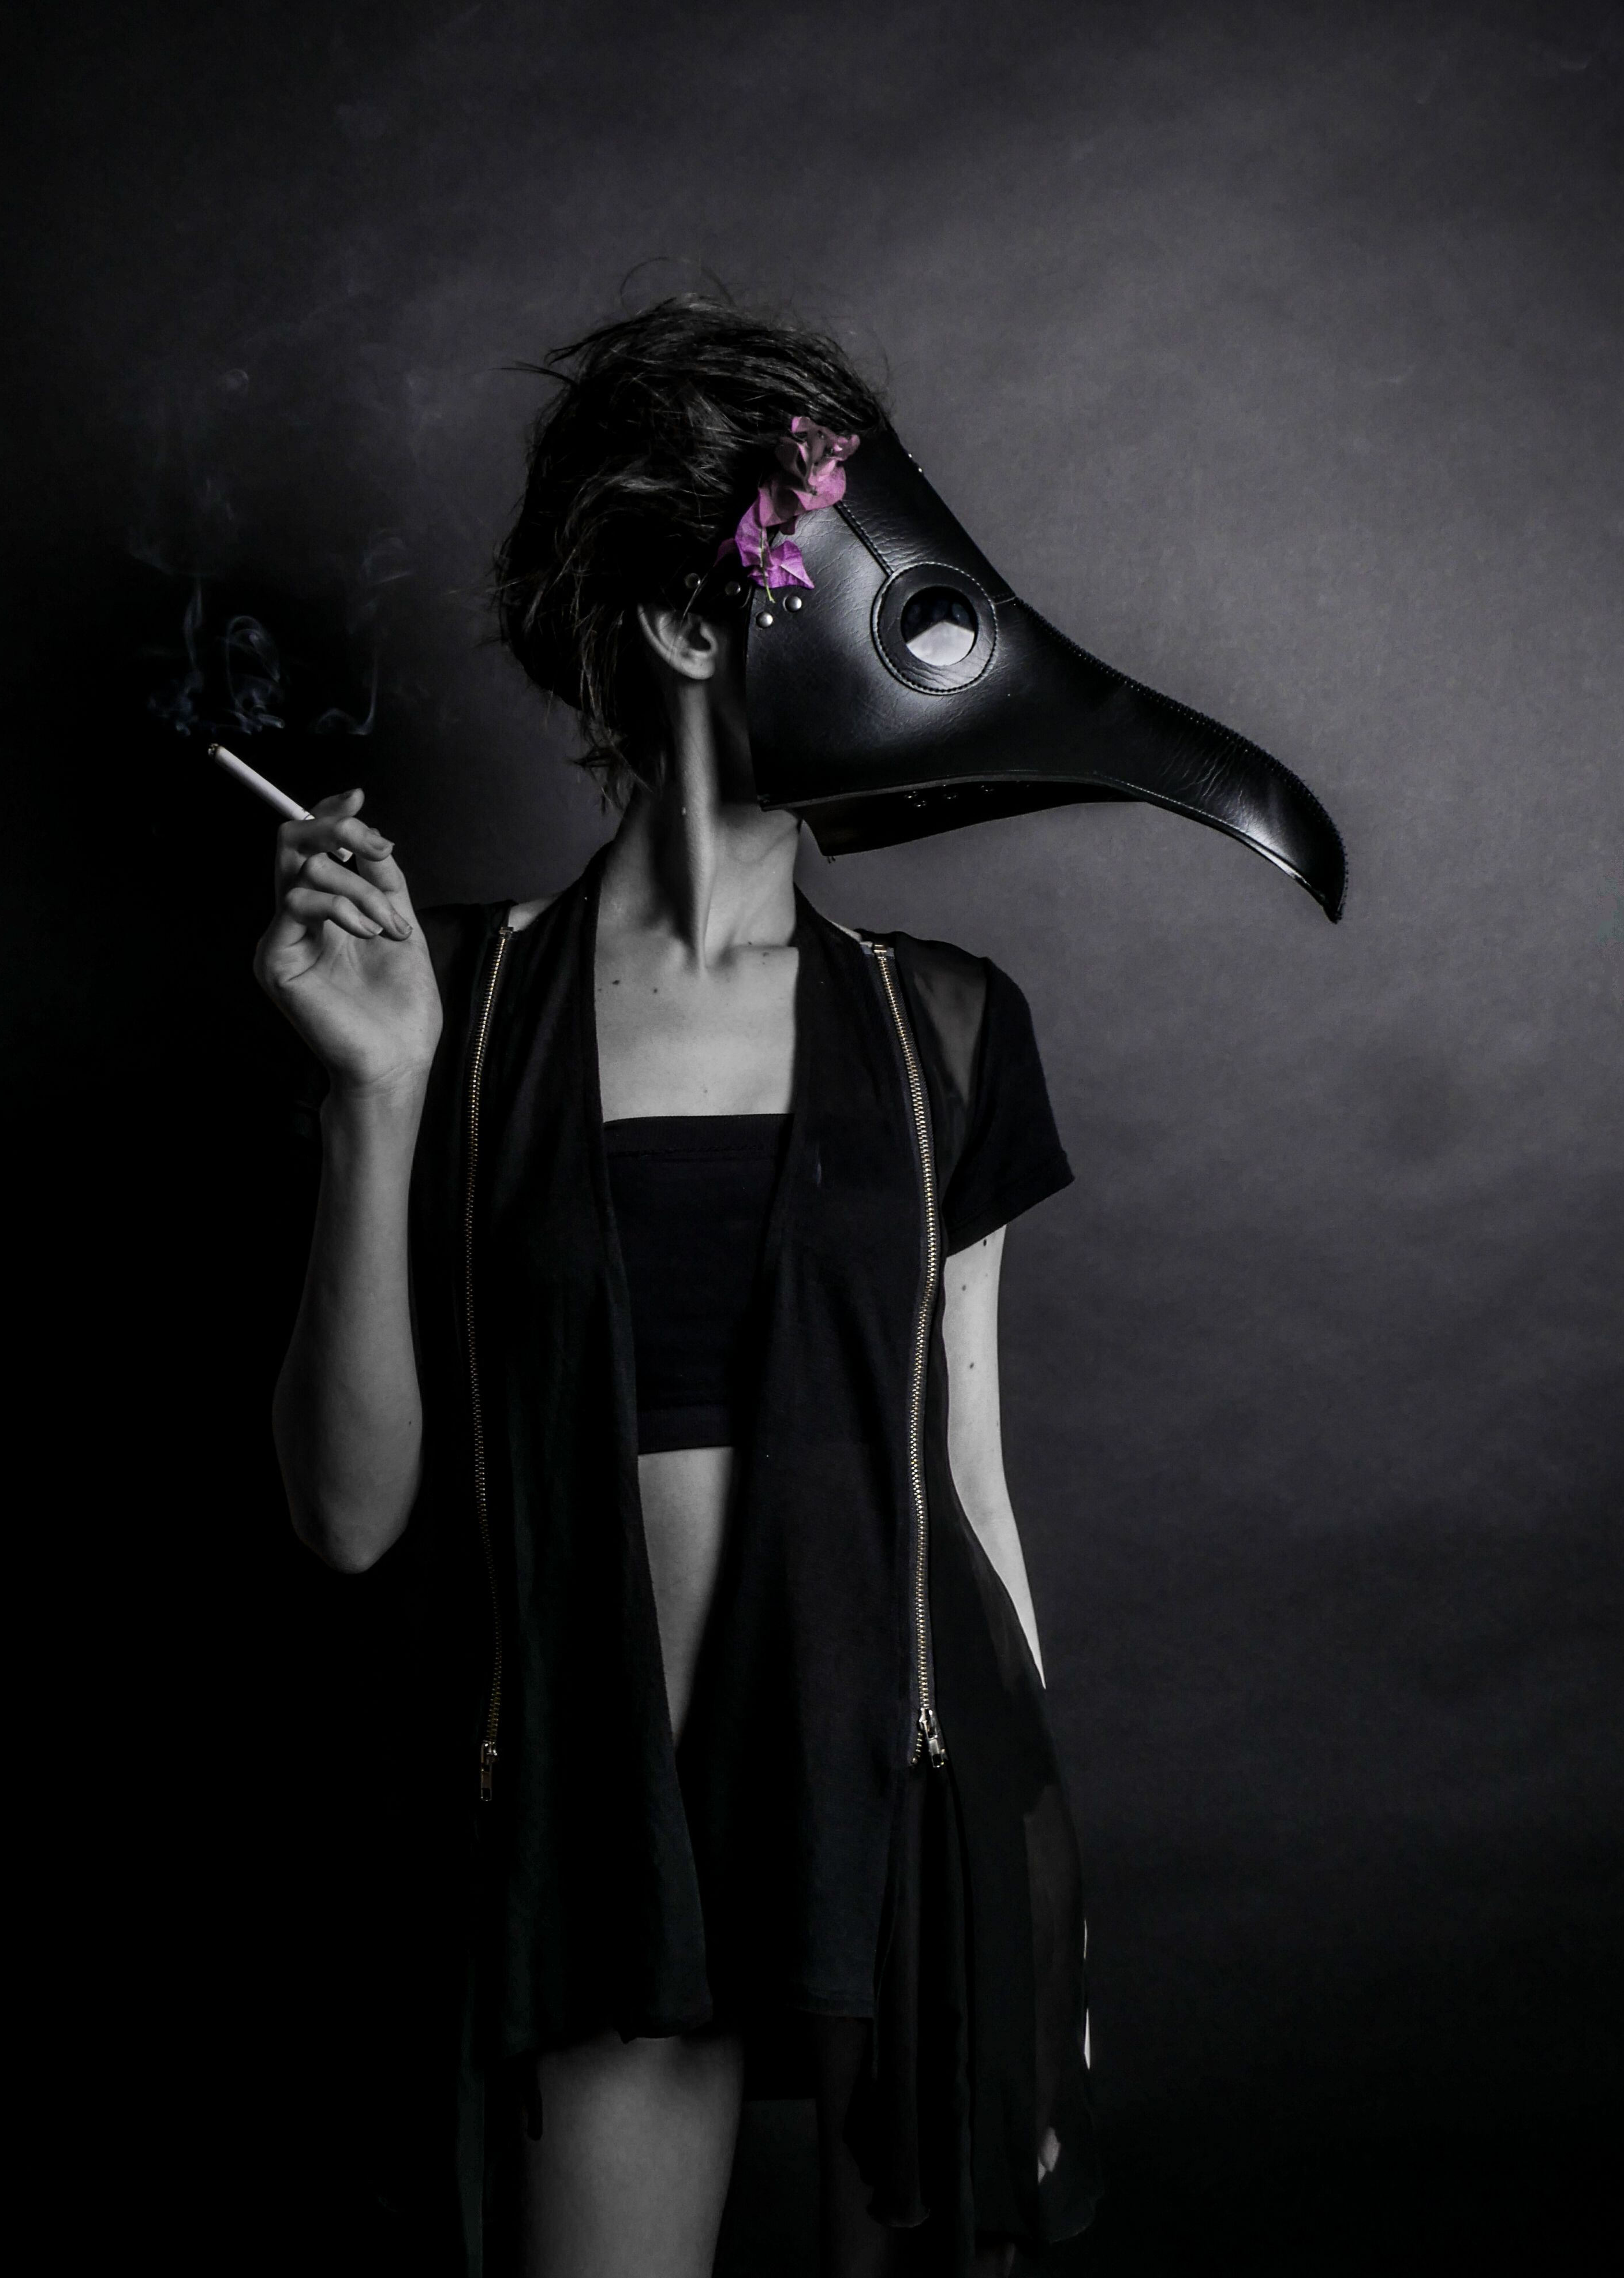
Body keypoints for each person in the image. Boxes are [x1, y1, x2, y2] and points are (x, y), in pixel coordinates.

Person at [253, 297, 1098, 2277]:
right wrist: (377, 1096)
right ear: (688, 625)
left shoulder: (945, 1028)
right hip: (601, 1839)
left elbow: (973, 1481)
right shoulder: (460, 1009)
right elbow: (349, 1515)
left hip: (889, 1807)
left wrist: (1026, 1859)